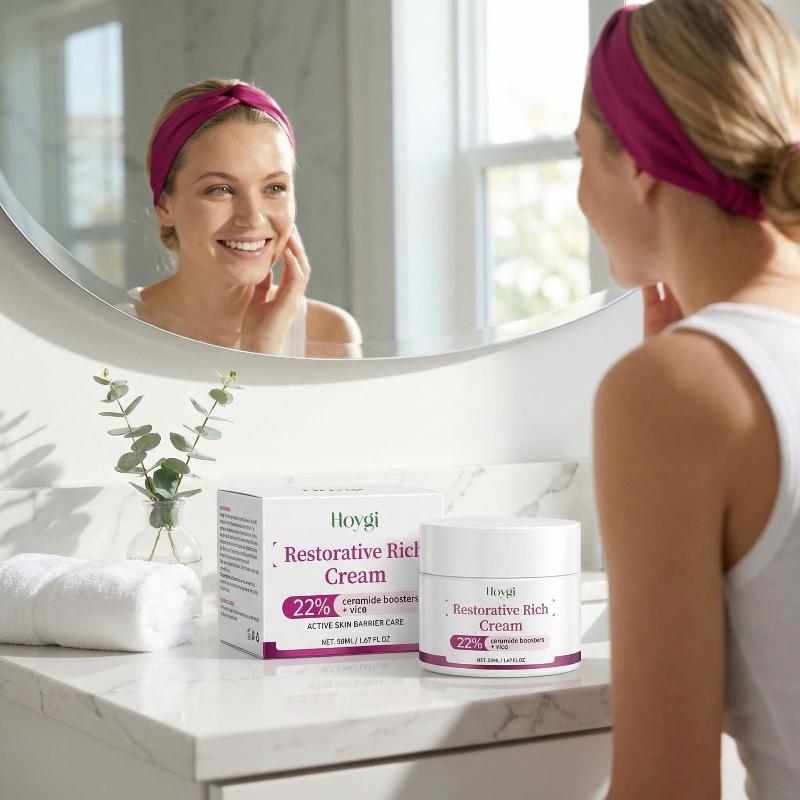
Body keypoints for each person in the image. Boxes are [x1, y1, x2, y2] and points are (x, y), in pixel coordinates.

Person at [578, 1, 800, 797]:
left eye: (581, 155)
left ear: (639, 163)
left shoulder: (675, 394)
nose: (580, 194)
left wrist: (678, 384)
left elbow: (664, 791)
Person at [120, 78, 361, 357]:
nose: (253, 218)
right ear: (164, 205)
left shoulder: (330, 336)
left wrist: (262, 349)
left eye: (275, 188)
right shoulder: (110, 333)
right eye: (220, 189)